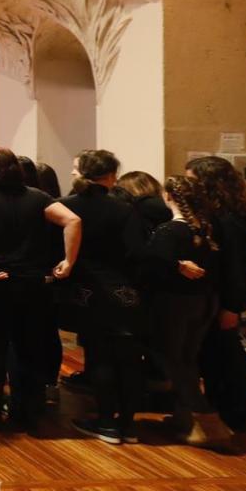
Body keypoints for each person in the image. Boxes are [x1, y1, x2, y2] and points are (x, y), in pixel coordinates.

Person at [0, 147, 80, 432]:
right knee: (29, 344)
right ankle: (28, 406)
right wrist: (68, 261)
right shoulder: (36, 197)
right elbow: (73, 220)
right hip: (32, 282)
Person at [62, 149, 146, 444]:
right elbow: (137, 253)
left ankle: (106, 421)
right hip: (122, 290)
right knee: (128, 358)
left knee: (99, 356)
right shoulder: (125, 209)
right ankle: (128, 423)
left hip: (87, 289)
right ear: (111, 176)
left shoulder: (66, 206)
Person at [142, 175, 230, 448]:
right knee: (188, 359)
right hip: (203, 302)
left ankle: (206, 421)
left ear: (168, 197)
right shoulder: (208, 229)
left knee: (171, 359)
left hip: (174, 303)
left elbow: (151, 266)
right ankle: (184, 419)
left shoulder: (169, 231)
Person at [189, 156, 246, 434]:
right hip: (218, 294)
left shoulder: (228, 220)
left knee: (226, 355)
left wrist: (232, 306)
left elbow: (237, 267)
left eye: (193, 180)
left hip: (226, 296)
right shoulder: (221, 215)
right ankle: (225, 408)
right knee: (216, 354)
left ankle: (237, 413)